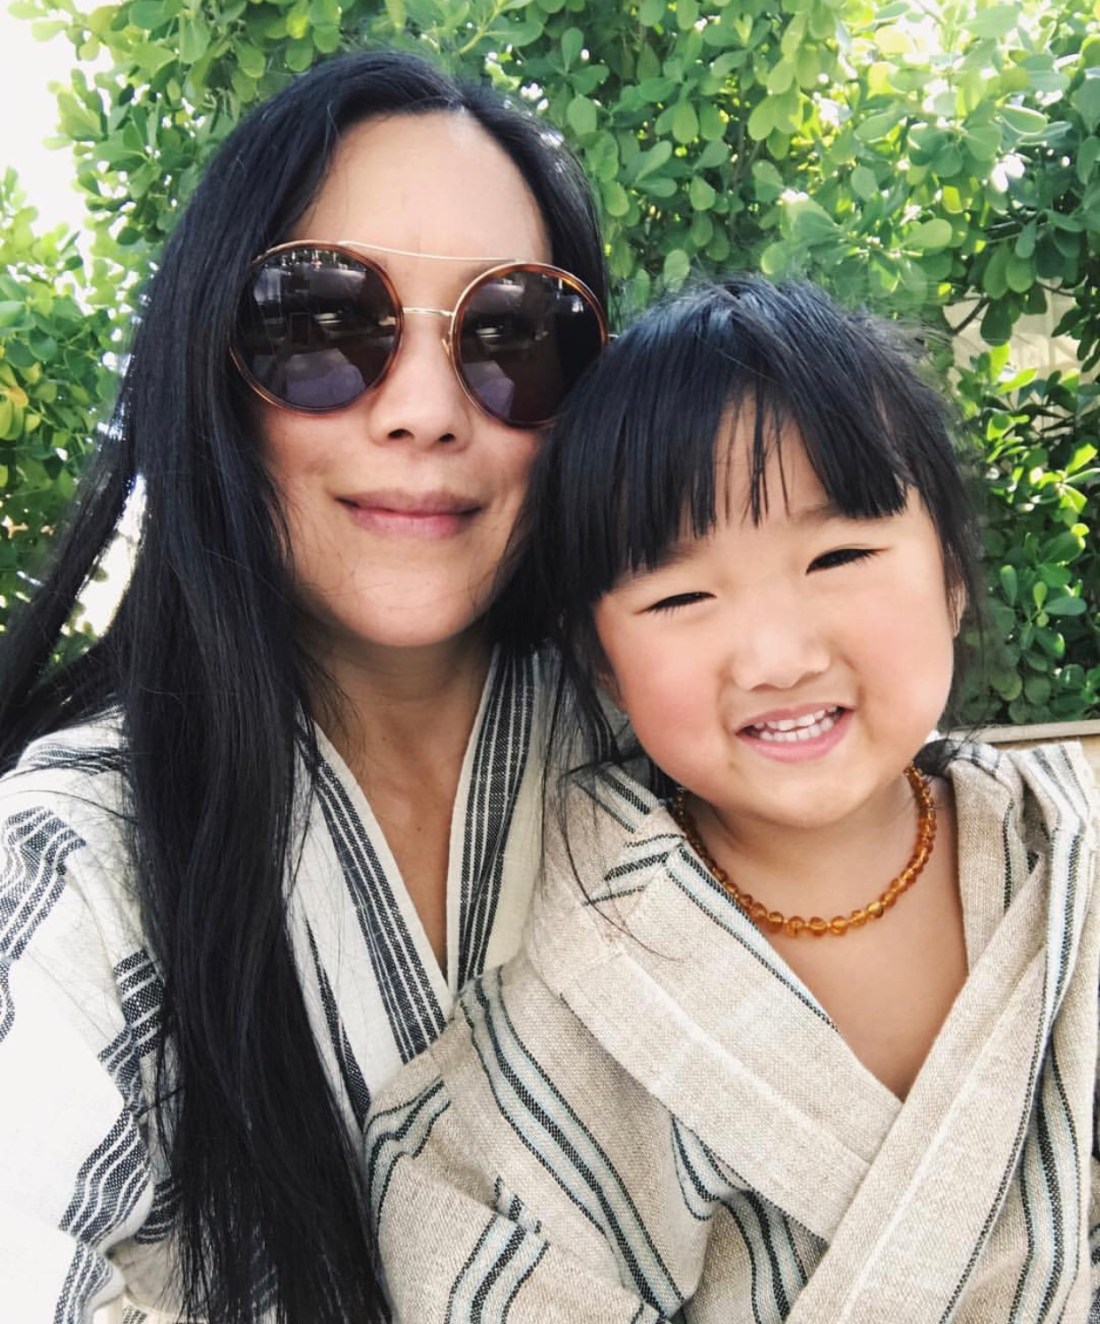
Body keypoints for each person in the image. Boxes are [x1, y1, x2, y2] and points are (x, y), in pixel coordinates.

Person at [0, 48, 607, 1323]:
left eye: (513, 334)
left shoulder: (674, 762)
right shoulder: (78, 861)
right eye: (323, 323)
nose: (427, 409)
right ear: (209, 370)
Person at [366, 277, 1100, 1322]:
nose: (775, 657)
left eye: (838, 555)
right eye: (680, 595)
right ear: (603, 660)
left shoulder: (1069, 868)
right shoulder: (566, 1023)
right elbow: (470, 1241)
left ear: (948, 572)